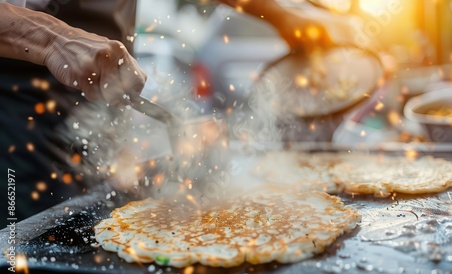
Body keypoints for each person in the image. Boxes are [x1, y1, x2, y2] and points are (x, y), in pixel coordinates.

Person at [0, 0, 338, 226]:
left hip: (95, 116)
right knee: (27, 258)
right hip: (18, 124)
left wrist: (280, 10)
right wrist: (53, 38)